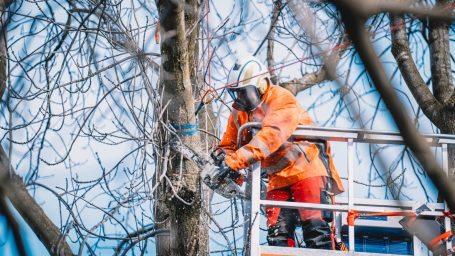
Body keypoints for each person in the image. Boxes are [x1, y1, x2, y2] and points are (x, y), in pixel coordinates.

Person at [216, 56, 345, 249]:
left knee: (316, 231)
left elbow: (270, 136)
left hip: (306, 170)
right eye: (237, 94)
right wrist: (222, 158)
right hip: (277, 179)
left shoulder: (281, 99)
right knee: (277, 236)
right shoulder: (238, 113)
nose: (241, 99)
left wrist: (234, 161)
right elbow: (229, 144)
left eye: (245, 94)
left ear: (260, 86)